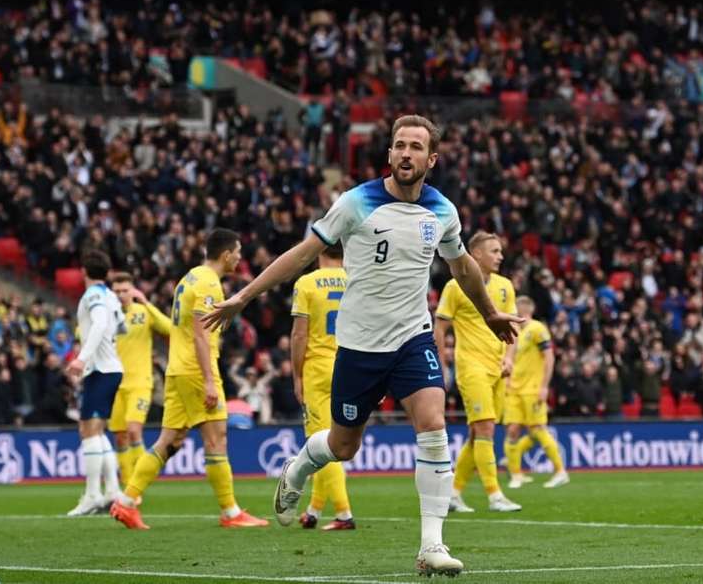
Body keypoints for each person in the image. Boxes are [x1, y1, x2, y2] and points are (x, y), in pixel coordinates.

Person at [203, 115, 523, 576]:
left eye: (415, 147)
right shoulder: (356, 203)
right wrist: (243, 295)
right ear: (389, 154)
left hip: (413, 338)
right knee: (343, 445)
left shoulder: (443, 212)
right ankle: (298, 467)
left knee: (433, 423)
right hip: (358, 346)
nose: (406, 154)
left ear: (431, 159)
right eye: (399, 146)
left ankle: (431, 545)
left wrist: (490, 312)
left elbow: (464, 267)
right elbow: (302, 253)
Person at [110, 228, 269, 530]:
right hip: (196, 370)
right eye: (237, 252)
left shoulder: (190, 277)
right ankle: (231, 512)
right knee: (216, 438)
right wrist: (209, 380)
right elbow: (200, 332)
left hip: (177, 369)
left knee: (169, 440)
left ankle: (127, 502)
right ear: (225, 254)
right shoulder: (209, 283)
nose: (239, 258)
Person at [434, 230, 521, 513]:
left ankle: (453, 494)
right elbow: (441, 327)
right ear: (477, 255)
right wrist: (442, 364)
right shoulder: (455, 286)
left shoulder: (506, 286)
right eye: (494, 251)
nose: (500, 256)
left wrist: (509, 358)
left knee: (478, 433)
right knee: (484, 428)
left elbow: (512, 327)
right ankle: (495, 495)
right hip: (471, 367)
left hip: (498, 368)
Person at [291, 241, 356, 531]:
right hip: (351, 365)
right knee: (333, 438)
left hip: (318, 369)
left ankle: (343, 514)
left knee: (322, 442)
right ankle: (315, 509)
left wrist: (296, 375)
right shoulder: (356, 277)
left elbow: (298, 335)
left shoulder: (306, 283)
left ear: (319, 252)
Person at [66, 250, 126, 516]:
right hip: (111, 367)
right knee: (97, 432)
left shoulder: (93, 295)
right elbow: (121, 326)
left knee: (88, 430)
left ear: (83, 272)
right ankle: (111, 491)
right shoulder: (111, 296)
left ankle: (92, 495)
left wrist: (82, 358)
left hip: (100, 368)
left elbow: (101, 323)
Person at [109, 272, 172, 486]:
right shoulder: (107, 315)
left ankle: (137, 484)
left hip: (140, 383)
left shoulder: (143, 313)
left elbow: (170, 328)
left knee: (134, 430)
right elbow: (82, 332)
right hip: (114, 385)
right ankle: (127, 488)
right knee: (120, 437)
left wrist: (147, 303)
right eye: (116, 291)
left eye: (125, 290)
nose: (121, 295)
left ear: (133, 291)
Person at [505, 296, 569, 489]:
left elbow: (549, 359)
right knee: (513, 430)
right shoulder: (516, 332)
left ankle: (560, 471)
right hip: (514, 389)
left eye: (516, 310)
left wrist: (544, 386)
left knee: (538, 430)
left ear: (524, 311)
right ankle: (516, 475)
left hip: (532, 389)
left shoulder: (537, 329)